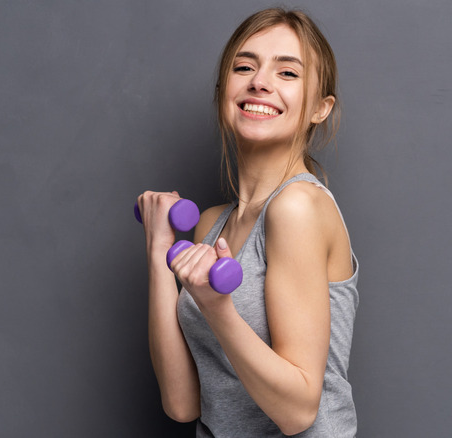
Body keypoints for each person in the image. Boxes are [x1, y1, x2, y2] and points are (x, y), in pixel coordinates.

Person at [136, 8, 359, 437]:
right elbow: (182, 404)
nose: (260, 81)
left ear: (319, 107)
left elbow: (297, 413)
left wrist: (218, 308)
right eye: (244, 67)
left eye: (288, 73)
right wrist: (158, 248)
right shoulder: (211, 226)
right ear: (224, 92)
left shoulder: (297, 208)